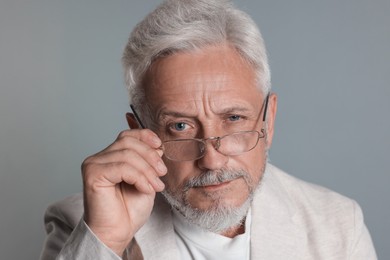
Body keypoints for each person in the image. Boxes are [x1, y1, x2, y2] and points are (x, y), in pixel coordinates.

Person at [40, 0, 377, 259]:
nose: (212, 161)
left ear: (268, 121)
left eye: (233, 119)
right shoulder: (83, 224)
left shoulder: (337, 226)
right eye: (181, 126)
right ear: (139, 132)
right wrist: (107, 240)